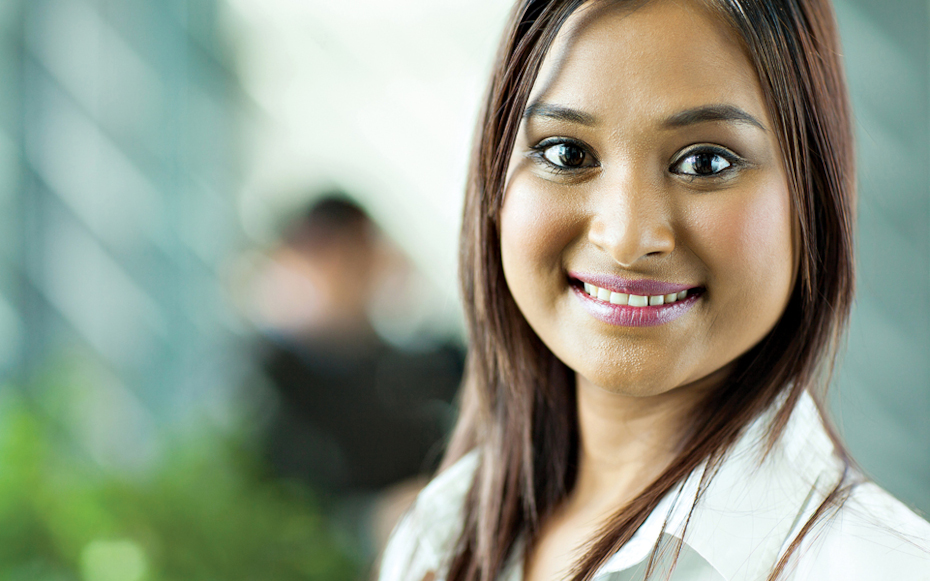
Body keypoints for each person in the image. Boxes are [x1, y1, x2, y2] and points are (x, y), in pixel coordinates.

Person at [378, 1, 930, 580]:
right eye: (567, 153)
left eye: (706, 162)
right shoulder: (440, 536)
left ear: (810, 196)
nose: (625, 238)